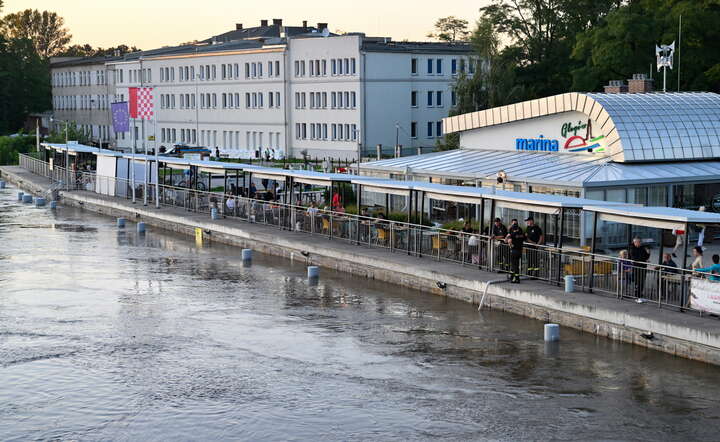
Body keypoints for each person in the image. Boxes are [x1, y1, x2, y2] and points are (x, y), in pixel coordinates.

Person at [506, 219, 526, 283]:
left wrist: (511, 245)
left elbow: (507, 240)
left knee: (514, 265)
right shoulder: (521, 233)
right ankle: (514, 277)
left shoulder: (512, 234)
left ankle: (515, 278)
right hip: (520, 251)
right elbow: (525, 237)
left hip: (514, 251)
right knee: (516, 265)